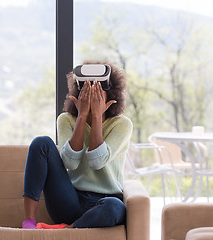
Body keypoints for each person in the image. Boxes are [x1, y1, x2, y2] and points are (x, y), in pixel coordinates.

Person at [22, 61, 133, 229]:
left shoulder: (121, 124)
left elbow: (97, 162)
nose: (91, 97)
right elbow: (70, 163)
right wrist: (82, 116)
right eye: (87, 91)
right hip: (70, 199)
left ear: (110, 96)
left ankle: (68, 229)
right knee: (41, 142)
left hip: (104, 204)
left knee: (115, 207)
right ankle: (29, 224)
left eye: (97, 92)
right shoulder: (66, 120)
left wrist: (96, 116)